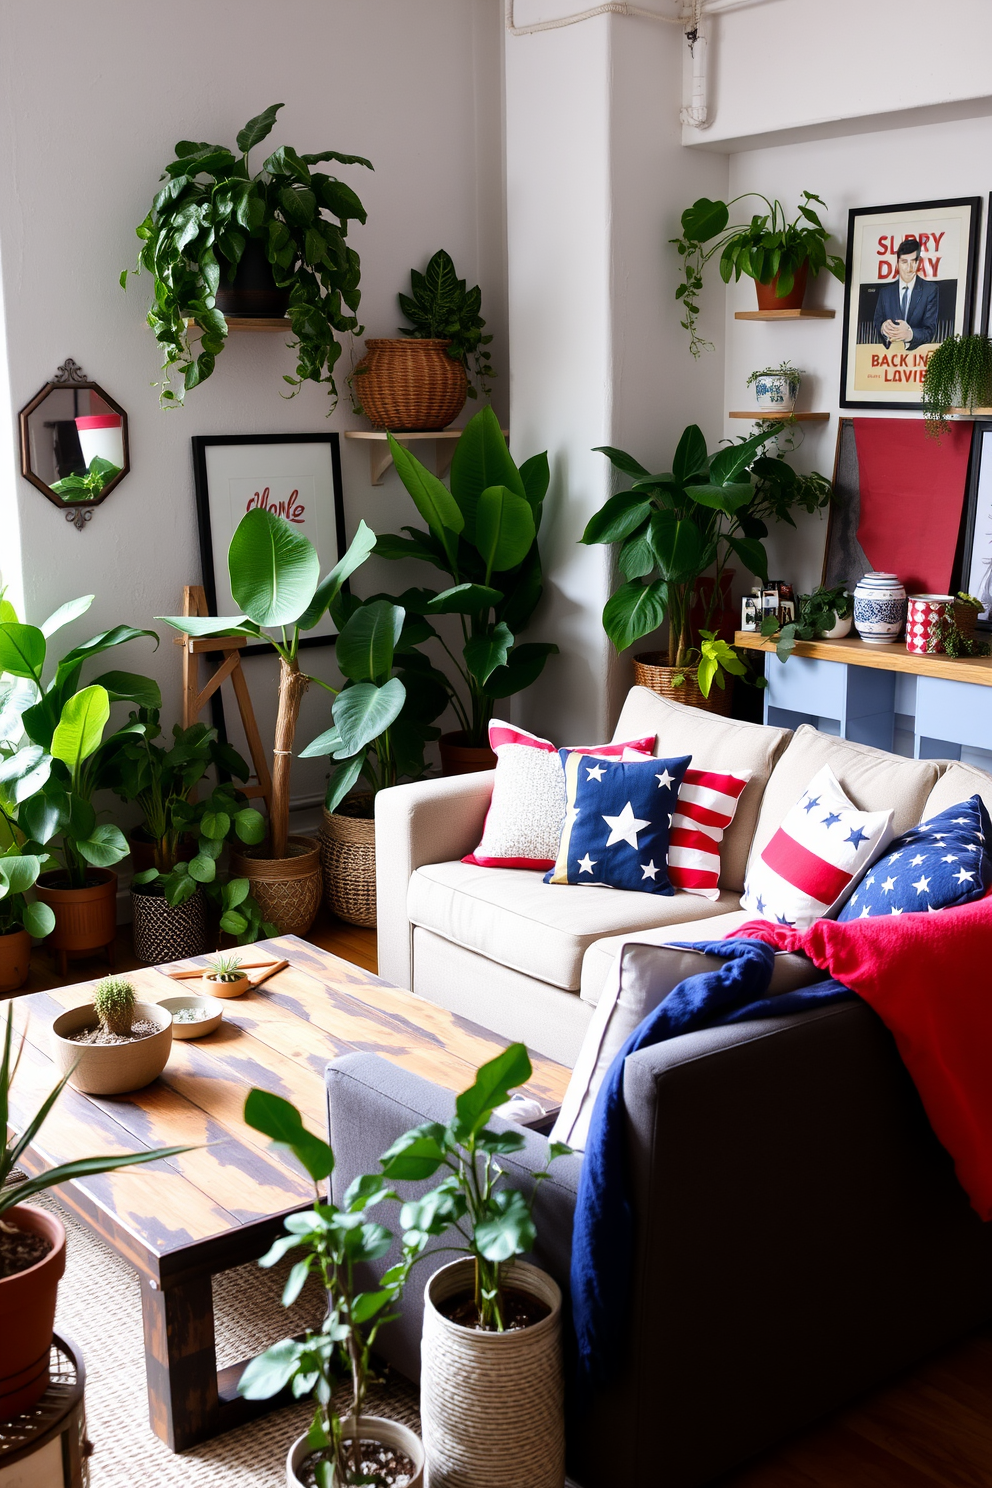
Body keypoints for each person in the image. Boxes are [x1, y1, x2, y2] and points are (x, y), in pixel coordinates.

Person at [873, 237, 940, 348]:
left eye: (913, 262)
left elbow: (929, 331)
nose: (909, 268)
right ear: (898, 262)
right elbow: (877, 322)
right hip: (888, 357)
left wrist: (909, 334)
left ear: (919, 262)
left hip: (918, 358)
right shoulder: (885, 293)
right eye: (904, 262)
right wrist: (883, 328)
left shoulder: (930, 290)